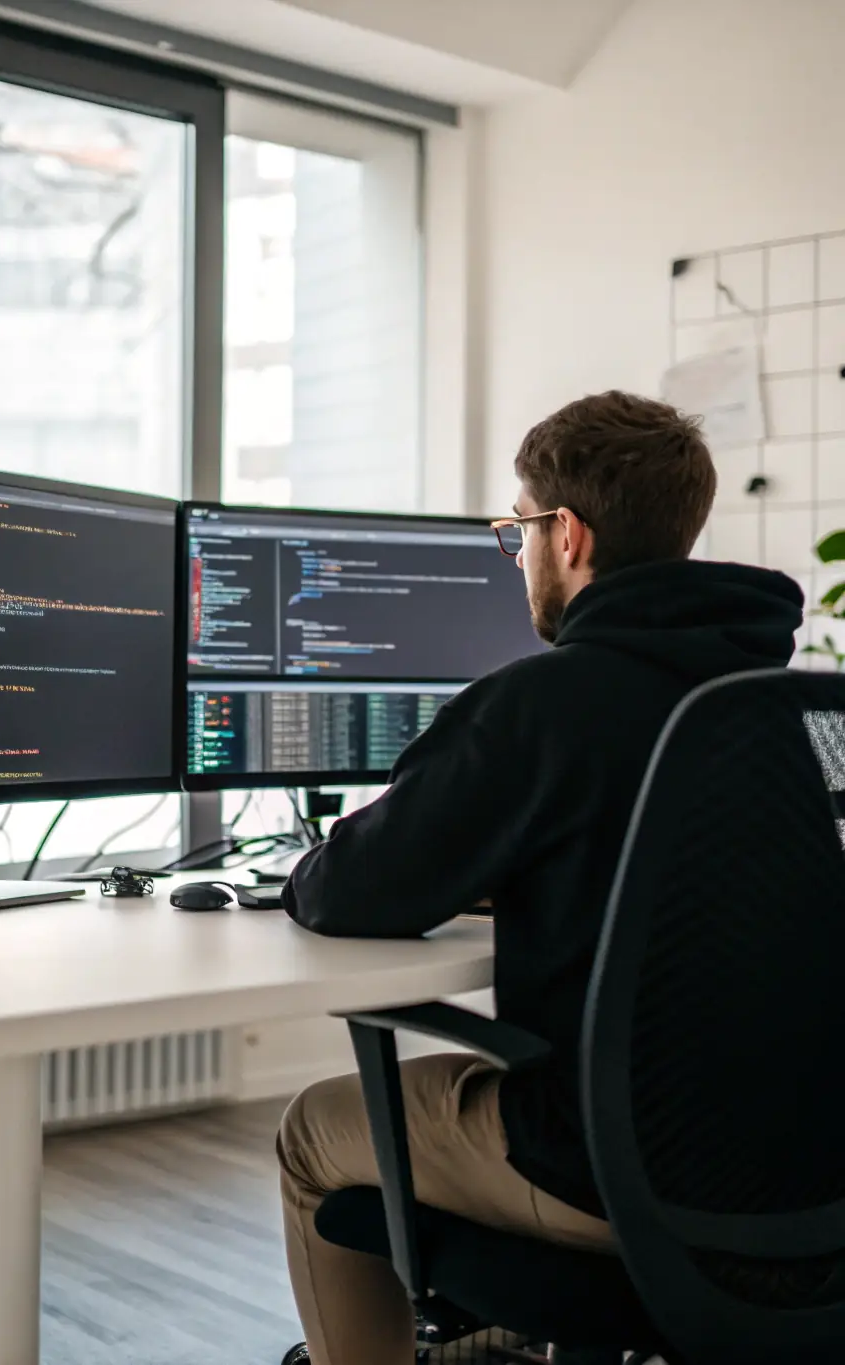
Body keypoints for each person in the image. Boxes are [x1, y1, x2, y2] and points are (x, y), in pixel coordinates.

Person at [276, 389, 804, 1365]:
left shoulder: (542, 703)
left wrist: (307, 864)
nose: (517, 554)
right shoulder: (783, 704)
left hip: (621, 1176)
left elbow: (349, 890)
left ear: (567, 534)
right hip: (806, 1170)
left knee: (314, 1129)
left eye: (516, 530)